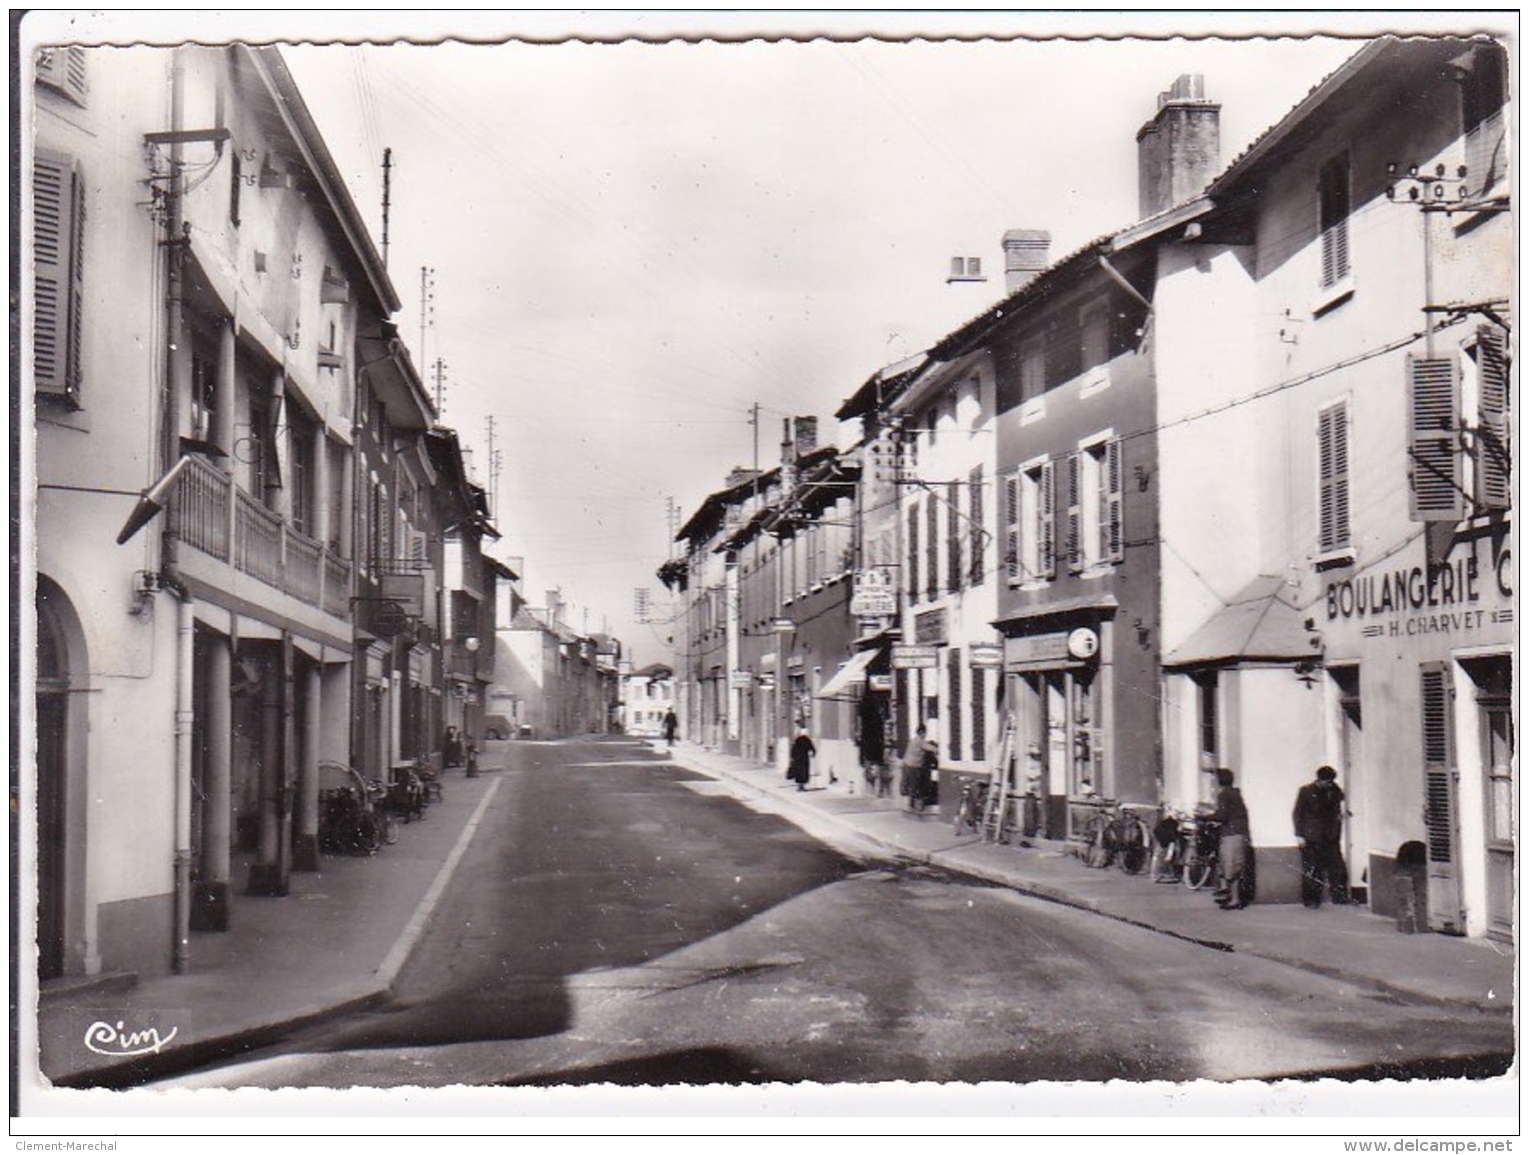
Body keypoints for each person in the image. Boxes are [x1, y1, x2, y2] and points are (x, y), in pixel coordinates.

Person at [1293, 765, 1350, 908]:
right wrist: (1299, 835)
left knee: (1337, 867)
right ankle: (1311, 900)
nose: (1330, 784)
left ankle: (1339, 896)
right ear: (1319, 780)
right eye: (1327, 782)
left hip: (1330, 836)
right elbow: (1297, 814)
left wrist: (1344, 814)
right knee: (1312, 869)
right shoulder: (1305, 791)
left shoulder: (1335, 790)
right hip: (1311, 836)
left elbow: (1340, 805)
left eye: (1332, 781)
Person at [1212, 767, 1252, 909]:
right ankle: (1230, 896)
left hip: (1232, 834)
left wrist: (1207, 816)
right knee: (1231, 867)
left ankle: (1234, 899)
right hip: (1238, 833)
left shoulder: (1224, 794)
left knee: (1230, 867)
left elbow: (1222, 815)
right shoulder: (1235, 793)